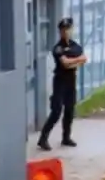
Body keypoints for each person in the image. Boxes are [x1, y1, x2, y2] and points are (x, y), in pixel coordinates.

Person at [37, 17, 86, 151]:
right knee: (56, 111)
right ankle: (43, 138)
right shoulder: (58, 48)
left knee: (70, 110)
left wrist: (72, 61)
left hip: (71, 80)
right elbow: (65, 63)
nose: (65, 32)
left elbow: (84, 58)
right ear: (60, 31)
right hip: (60, 81)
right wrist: (76, 60)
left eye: (68, 29)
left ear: (72, 30)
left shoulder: (76, 45)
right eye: (63, 30)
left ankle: (66, 137)